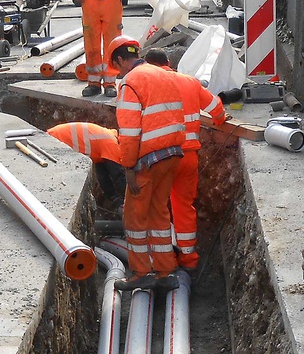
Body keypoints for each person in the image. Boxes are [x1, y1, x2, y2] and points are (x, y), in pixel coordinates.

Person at [107, 35, 185, 292]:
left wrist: (128, 168)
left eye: (116, 67)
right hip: (172, 154)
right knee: (159, 214)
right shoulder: (164, 74)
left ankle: (141, 273)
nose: (118, 73)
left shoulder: (130, 83)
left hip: (147, 159)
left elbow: (129, 132)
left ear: (120, 60)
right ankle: (164, 272)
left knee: (134, 218)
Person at [144, 48, 229, 273]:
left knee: (158, 208)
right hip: (188, 157)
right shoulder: (190, 82)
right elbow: (215, 108)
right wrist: (220, 120)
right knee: (183, 206)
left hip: (160, 158)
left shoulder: (148, 84)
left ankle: (163, 260)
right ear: (169, 62)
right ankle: (189, 259)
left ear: (147, 66)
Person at [47, 122, 125, 211]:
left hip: (56, 137)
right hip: (55, 140)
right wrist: (131, 199)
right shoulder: (111, 144)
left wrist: (115, 200)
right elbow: (118, 176)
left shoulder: (106, 140)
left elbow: (103, 177)